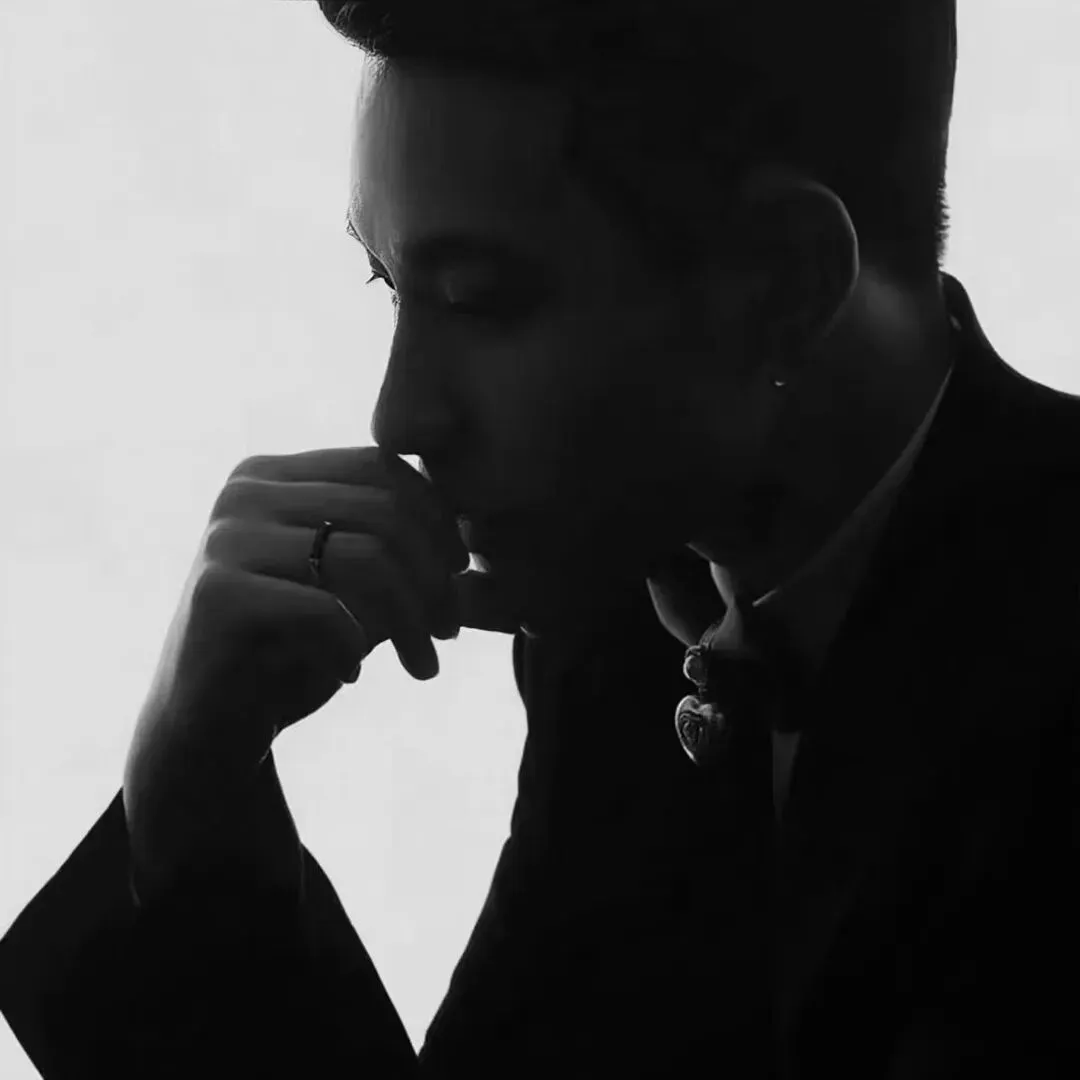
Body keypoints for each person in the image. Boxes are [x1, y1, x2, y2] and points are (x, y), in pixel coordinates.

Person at [1, 1, 1076, 1076]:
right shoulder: (626, 620)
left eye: (479, 299)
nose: (398, 415)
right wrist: (187, 792)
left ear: (786, 283)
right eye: (388, 282)